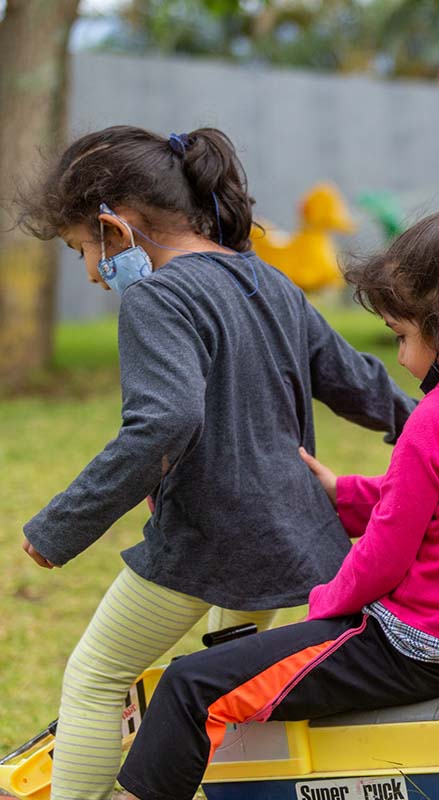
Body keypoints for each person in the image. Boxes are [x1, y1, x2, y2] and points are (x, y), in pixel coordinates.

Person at [113, 193, 439, 800]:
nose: (398, 355)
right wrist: (344, 493)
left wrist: (324, 604)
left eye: (399, 336)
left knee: (188, 686)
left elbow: (386, 557)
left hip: (415, 643)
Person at [16, 125, 416, 800]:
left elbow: (165, 419)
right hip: (288, 538)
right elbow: (358, 382)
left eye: (81, 247)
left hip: (210, 539)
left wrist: (59, 527)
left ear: (114, 227)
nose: (89, 269)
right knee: (224, 676)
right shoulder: (270, 281)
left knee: (96, 677)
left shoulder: (157, 296)